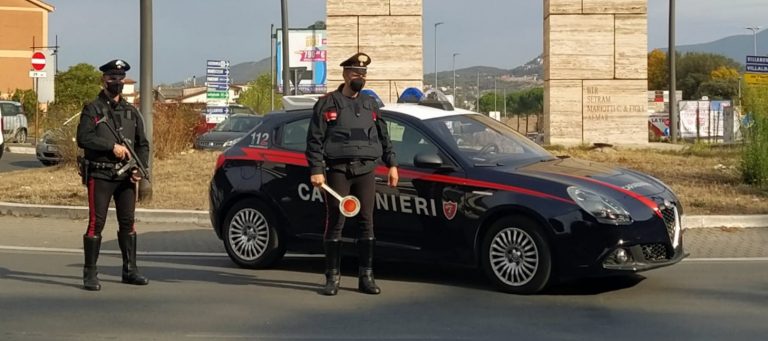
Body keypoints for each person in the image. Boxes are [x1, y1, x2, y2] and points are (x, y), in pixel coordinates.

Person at [306, 52, 399, 295]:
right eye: (357, 73)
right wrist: (316, 170)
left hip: (366, 170)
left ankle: (366, 277)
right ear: (346, 74)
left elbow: (384, 137)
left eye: (364, 74)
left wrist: (392, 164)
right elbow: (314, 141)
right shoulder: (327, 103)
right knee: (336, 222)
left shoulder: (371, 104)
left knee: (366, 222)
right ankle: (332, 278)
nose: (361, 77)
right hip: (338, 171)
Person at [76, 59, 150, 291]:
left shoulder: (131, 111)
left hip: (126, 178)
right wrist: (111, 147)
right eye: (112, 78)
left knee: (128, 223)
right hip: (101, 175)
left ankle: (130, 270)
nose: (116, 82)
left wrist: (139, 167)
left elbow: (143, 144)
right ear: (103, 80)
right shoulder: (93, 109)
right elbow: (84, 138)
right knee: (96, 223)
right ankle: (90, 273)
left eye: (119, 78)